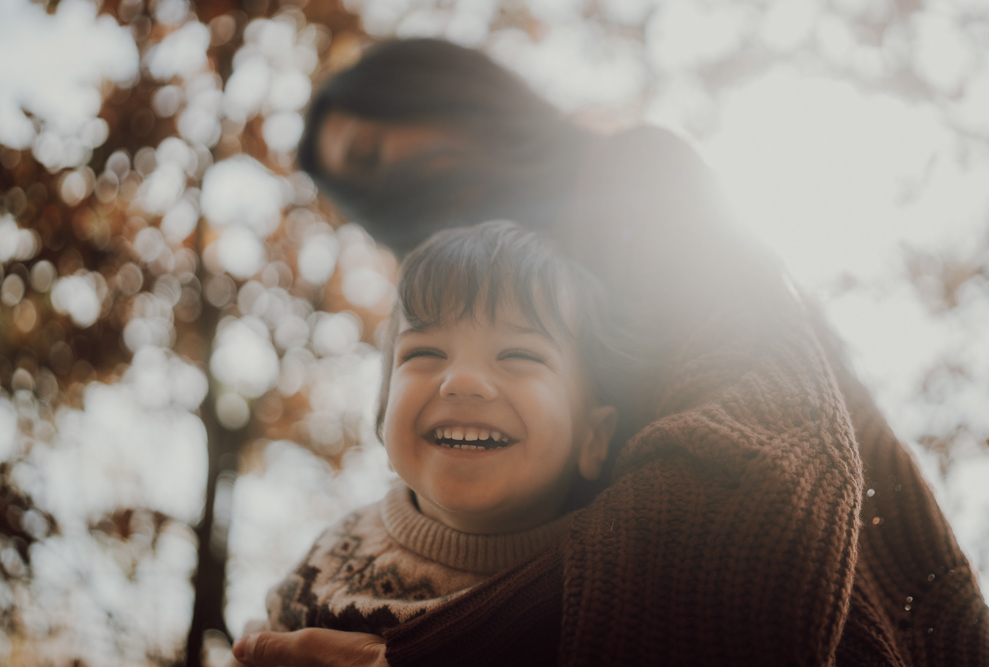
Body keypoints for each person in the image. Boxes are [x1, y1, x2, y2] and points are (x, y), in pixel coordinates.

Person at [234, 38, 989, 666]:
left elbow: (756, 473)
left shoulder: (636, 182)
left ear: (431, 91)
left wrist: (436, 646)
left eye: (372, 147)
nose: (390, 182)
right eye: (363, 188)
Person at [263, 221, 620, 638]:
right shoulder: (333, 559)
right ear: (383, 413)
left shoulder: (609, 582)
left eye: (519, 354)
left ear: (594, 438)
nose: (462, 381)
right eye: (425, 352)